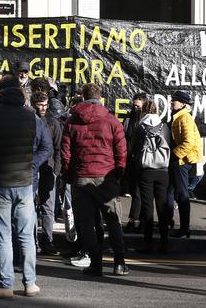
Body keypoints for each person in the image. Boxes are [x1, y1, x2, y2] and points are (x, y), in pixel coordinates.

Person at [0, 75, 52, 299]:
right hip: (25, 182)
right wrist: (32, 165)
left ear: (0, 93)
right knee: (26, 235)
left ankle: (5, 284)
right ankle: (30, 283)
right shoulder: (32, 117)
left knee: (3, 235)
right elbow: (45, 146)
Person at [61, 83, 129, 277]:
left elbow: (66, 153)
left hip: (82, 177)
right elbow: (121, 151)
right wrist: (118, 174)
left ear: (82, 97)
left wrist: (68, 175)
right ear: (100, 98)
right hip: (106, 176)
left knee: (87, 223)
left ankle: (96, 264)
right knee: (113, 220)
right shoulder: (112, 120)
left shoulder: (72, 121)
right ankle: (119, 262)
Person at [130, 100, 171, 254]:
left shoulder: (140, 126)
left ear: (144, 112)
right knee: (162, 206)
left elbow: (133, 147)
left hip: (146, 170)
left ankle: (148, 242)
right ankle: (164, 242)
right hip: (163, 170)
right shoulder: (164, 126)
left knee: (147, 206)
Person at [166, 91, 203, 238]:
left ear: (182, 104)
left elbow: (189, 142)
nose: (171, 103)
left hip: (181, 161)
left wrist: (174, 155)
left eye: (174, 101)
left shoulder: (184, 118)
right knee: (169, 191)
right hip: (178, 160)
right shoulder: (178, 116)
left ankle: (185, 228)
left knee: (181, 194)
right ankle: (168, 221)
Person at [31, 91, 62, 255]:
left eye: (45, 105)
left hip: (48, 170)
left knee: (47, 208)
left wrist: (56, 170)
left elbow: (58, 148)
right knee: (30, 207)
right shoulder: (29, 121)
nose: (43, 108)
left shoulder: (53, 123)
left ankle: (48, 240)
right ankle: (32, 241)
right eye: (40, 105)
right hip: (32, 169)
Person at [123, 93, 148, 233]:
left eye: (138, 106)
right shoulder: (129, 118)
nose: (135, 108)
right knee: (135, 190)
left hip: (142, 159)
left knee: (139, 191)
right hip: (131, 158)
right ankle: (140, 219)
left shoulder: (146, 120)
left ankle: (135, 219)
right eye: (134, 105)